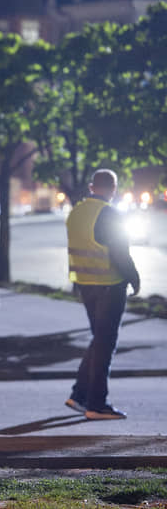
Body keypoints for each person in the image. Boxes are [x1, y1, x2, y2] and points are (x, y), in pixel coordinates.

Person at [65, 169, 140, 420]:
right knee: (105, 342)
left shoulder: (75, 212)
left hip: (85, 284)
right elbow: (121, 253)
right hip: (110, 284)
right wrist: (135, 278)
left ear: (91, 186)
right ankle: (96, 405)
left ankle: (79, 395)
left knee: (99, 339)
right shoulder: (109, 214)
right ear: (113, 189)